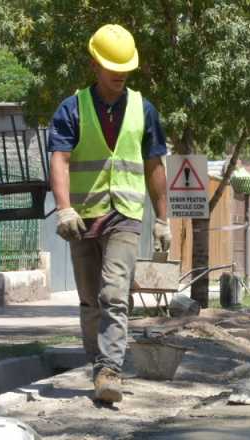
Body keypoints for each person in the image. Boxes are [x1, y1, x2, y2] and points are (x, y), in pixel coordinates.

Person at [47, 24, 170, 404]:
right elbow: (60, 159)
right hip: (82, 217)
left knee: (114, 294)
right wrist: (64, 208)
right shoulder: (73, 108)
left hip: (126, 215)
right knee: (89, 299)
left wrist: (164, 219)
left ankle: (109, 370)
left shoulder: (142, 109)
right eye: (112, 65)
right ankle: (96, 363)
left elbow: (154, 166)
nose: (119, 73)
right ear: (94, 64)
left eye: (125, 67)